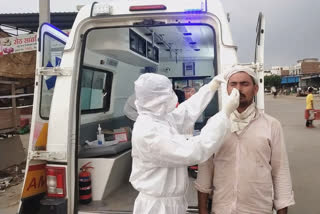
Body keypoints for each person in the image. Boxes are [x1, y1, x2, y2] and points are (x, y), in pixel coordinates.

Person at [130, 73, 240, 214]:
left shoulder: (160, 119)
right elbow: (194, 151)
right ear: (157, 99)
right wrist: (224, 114)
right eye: (168, 92)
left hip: (172, 202)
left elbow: (186, 112)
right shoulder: (147, 132)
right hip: (157, 207)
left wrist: (210, 88)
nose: (172, 95)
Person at [195, 66, 295, 214]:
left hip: (258, 209)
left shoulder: (271, 125)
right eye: (233, 84)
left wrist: (282, 209)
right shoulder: (215, 124)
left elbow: (280, 172)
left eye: (244, 84)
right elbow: (205, 169)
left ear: (255, 89)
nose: (238, 89)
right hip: (222, 209)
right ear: (227, 89)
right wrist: (202, 210)